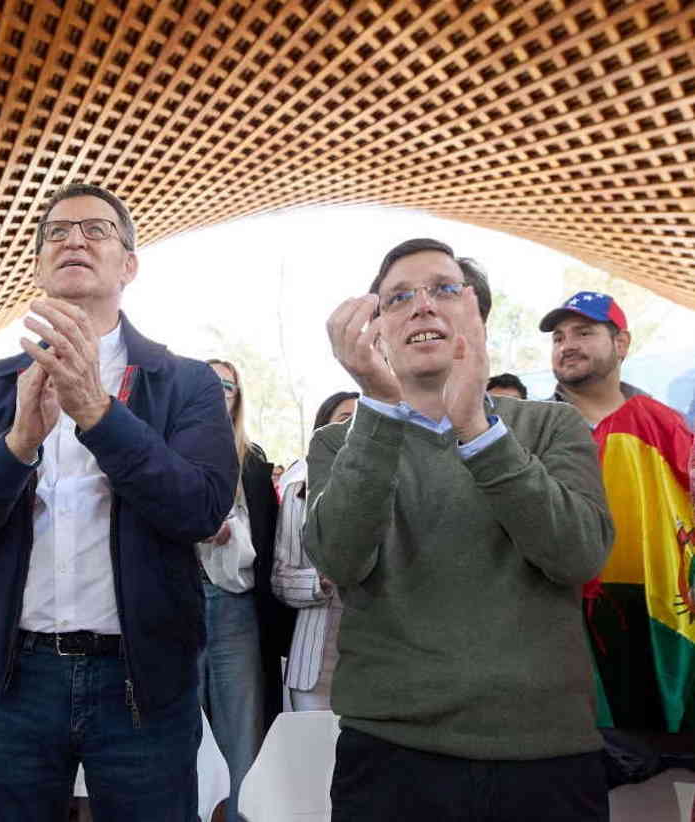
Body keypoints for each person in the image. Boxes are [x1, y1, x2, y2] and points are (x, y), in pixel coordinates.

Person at [0, 184, 237, 821]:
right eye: (57, 233)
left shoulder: (185, 383)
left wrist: (97, 412)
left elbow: (199, 508)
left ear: (129, 265)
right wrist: (17, 445)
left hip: (143, 680)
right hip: (16, 679)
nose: (74, 240)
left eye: (95, 230)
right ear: (38, 266)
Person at [309, 239, 613, 820]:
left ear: (477, 316)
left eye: (444, 289)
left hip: (544, 753)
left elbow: (579, 555)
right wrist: (376, 406)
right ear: (375, 329)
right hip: (391, 757)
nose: (422, 305)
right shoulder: (339, 442)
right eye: (398, 297)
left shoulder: (551, 425)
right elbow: (340, 560)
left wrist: (478, 428)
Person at [542, 291, 695, 735]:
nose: (567, 344)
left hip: (656, 630)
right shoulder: (529, 426)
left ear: (621, 343)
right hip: (560, 633)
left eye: (584, 332)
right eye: (558, 337)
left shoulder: (666, 425)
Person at [197, 358, 293, 822]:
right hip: (181, 606)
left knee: (242, 734)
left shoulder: (252, 459)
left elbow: (270, 541)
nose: (218, 391)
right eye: (208, 382)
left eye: (228, 385)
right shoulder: (168, 450)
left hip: (236, 608)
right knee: (178, 732)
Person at [272, 390, 358, 712]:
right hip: (315, 665)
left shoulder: (399, 489)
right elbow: (280, 578)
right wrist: (317, 582)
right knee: (312, 759)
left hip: (381, 663)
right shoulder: (298, 495)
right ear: (323, 429)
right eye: (344, 419)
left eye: (362, 419)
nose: (352, 428)